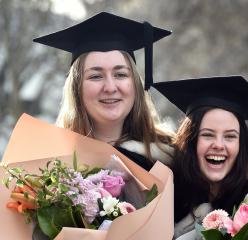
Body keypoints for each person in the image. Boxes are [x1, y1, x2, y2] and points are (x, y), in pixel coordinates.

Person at [153, 75, 248, 237]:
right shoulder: (171, 200)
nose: (219, 145)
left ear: (241, 146)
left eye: (230, 136)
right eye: (208, 135)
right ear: (191, 141)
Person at [33, 12, 174, 171]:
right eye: (96, 76)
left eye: (120, 75)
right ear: (76, 88)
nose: (110, 87)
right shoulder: (49, 165)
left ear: (135, 84)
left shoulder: (173, 160)